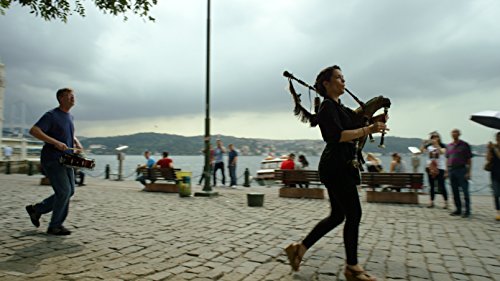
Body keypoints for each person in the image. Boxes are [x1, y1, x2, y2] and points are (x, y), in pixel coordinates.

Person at [284, 65, 387, 281]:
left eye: (343, 77)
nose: (343, 81)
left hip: (342, 166)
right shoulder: (327, 108)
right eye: (339, 78)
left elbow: (358, 121)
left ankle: (299, 249)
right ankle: (352, 268)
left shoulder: (341, 108)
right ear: (326, 84)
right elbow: (337, 136)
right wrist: (368, 130)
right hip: (336, 167)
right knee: (354, 214)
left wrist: (376, 122)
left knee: (338, 215)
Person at [25, 88, 83, 235]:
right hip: (53, 159)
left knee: (69, 191)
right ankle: (55, 226)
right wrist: (55, 142)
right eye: (70, 96)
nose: (73, 99)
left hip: (67, 159)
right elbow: (34, 131)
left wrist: (76, 142)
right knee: (64, 191)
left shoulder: (70, 116)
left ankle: (36, 209)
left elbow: (69, 132)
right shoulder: (51, 115)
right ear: (61, 98)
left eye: (73, 96)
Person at [446, 129, 473, 218]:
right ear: (451, 134)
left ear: (459, 134)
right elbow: (447, 158)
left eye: (456, 132)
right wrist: (446, 171)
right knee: (454, 191)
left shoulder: (465, 145)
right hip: (451, 170)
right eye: (453, 132)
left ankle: (467, 210)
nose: (454, 133)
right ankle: (458, 209)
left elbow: (469, 159)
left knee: (465, 191)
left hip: (461, 170)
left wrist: (468, 172)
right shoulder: (449, 146)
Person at [420, 132, 448, 209]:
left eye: (436, 137)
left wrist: (436, 145)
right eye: (433, 137)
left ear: (439, 138)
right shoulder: (428, 146)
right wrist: (423, 143)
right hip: (430, 168)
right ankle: (431, 202)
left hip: (440, 168)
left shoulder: (442, 146)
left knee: (441, 185)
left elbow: (442, 152)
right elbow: (421, 152)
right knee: (431, 185)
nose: (434, 139)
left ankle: (446, 202)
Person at [486, 132, 500, 221]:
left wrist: (494, 149)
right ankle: (498, 212)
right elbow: (488, 159)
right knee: (496, 193)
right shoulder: (493, 147)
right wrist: (489, 149)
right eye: (498, 137)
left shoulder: (495, 148)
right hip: (494, 173)